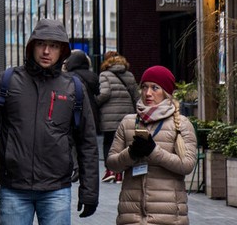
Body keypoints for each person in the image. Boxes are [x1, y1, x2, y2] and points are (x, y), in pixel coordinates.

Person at [0, 19, 99, 225]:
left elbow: (87, 142)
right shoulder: (7, 81)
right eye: (41, 44)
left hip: (57, 189)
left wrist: (90, 191)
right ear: (32, 46)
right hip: (14, 188)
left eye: (54, 46)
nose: (46, 51)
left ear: (62, 51)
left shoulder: (73, 87)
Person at [104, 66, 196, 225]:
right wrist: (131, 153)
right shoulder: (128, 122)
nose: (148, 93)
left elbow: (187, 166)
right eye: (144, 87)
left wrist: (154, 151)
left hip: (168, 217)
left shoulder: (181, 124)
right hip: (131, 215)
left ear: (166, 92)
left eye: (155, 88)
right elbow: (112, 164)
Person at [96, 51, 138, 183]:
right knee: (123, 143)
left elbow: (104, 93)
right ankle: (120, 173)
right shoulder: (129, 75)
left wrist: (95, 101)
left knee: (109, 142)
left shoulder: (104, 75)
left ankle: (110, 171)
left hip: (109, 115)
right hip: (127, 114)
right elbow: (136, 95)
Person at [64, 49, 101, 181]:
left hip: (75, 112)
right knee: (88, 142)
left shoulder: (71, 77)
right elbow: (98, 93)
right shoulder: (93, 76)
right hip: (91, 111)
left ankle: (76, 167)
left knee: (72, 141)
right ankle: (85, 170)